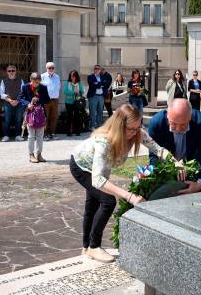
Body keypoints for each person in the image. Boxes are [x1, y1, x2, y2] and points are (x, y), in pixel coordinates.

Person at [70, 104, 167, 263]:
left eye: (138, 128)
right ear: (120, 127)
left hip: (98, 171)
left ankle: (86, 247)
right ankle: (94, 247)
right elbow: (98, 180)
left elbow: (158, 150)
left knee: (92, 204)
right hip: (81, 166)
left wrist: (175, 162)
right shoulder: (104, 142)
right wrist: (129, 196)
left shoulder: (136, 132)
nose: (136, 133)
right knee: (108, 201)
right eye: (131, 129)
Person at [148, 99, 201, 195]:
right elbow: (154, 156)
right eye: (174, 124)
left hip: (192, 174)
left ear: (190, 117)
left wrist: (200, 183)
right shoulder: (157, 123)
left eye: (183, 125)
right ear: (167, 116)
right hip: (167, 173)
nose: (178, 129)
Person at [20, 72, 50, 163]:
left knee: (40, 135)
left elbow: (47, 99)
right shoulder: (25, 87)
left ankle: (39, 154)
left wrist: (39, 100)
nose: (37, 83)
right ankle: (31, 155)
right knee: (31, 135)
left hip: (40, 113)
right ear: (30, 80)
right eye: (35, 82)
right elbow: (20, 98)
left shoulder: (43, 87)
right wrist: (27, 104)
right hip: (30, 113)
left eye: (38, 82)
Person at [0, 64, 25, 142]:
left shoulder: (21, 80)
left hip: (19, 103)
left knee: (18, 119)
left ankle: (18, 135)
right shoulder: (4, 81)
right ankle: (6, 135)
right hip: (8, 103)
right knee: (7, 119)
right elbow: (2, 93)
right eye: (9, 71)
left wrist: (17, 101)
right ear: (7, 72)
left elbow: (23, 92)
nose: (11, 72)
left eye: (13, 70)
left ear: (15, 71)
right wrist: (10, 100)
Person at [40, 62, 61, 141]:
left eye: (52, 68)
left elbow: (58, 87)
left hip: (55, 100)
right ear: (46, 68)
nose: (51, 69)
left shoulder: (57, 76)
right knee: (45, 117)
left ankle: (52, 133)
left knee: (54, 117)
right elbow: (40, 89)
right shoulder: (43, 76)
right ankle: (45, 134)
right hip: (45, 100)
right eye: (49, 68)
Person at [64, 70, 85, 136]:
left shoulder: (79, 84)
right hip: (69, 102)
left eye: (73, 76)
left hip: (77, 102)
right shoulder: (67, 83)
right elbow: (65, 91)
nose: (72, 77)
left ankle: (77, 131)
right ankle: (68, 131)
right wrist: (73, 92)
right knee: (69, 117)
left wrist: (80, 92)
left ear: (76, 77)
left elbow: (82, 91)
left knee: (77, 116)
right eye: (71, 76)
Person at [87, 65, 107, 129]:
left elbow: (106, 84)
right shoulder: (90, 77)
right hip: (93, 96)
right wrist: (100, 84)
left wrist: (97, 83)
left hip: (101, 97)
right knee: (92, 112)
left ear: (100, 70)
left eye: (98, 69)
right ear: (94, 70)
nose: (97, 70)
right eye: (95, 68)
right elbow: (92, 85)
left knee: (100, 112)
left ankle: (99, 125)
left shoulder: (103, 77)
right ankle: (92, 125)